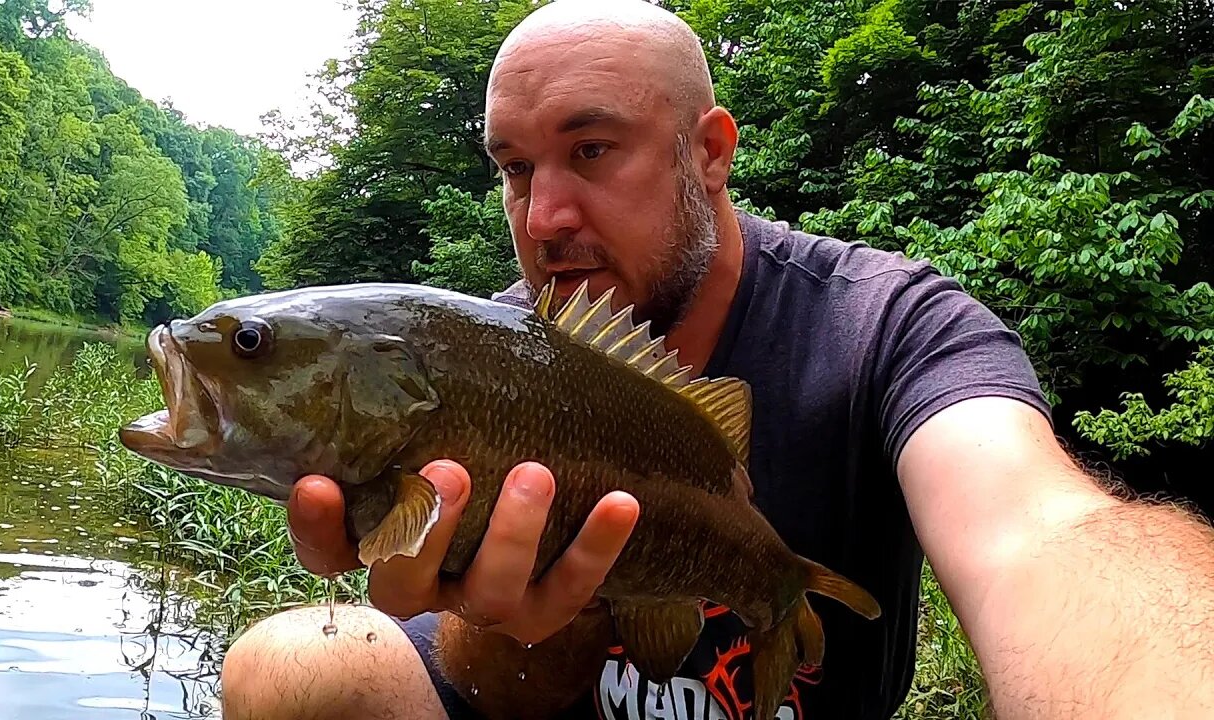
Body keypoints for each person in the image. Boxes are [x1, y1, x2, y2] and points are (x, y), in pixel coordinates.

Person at [217, 1, 1214, 719]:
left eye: (593, 150)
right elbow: (489, 687)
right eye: (515, 169)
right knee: (285, 671)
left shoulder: (886, 323)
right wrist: (518, 623)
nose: (546, 215)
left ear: (709, 152)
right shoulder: (496, 349)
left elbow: (1041, 533)